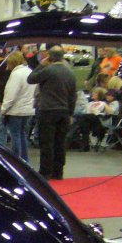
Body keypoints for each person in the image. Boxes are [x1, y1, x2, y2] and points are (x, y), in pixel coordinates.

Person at [27, 46, 77, 180]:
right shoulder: (70, 73)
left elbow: (30, 79)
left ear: (49, 57)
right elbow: (73, 95)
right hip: (64, 111)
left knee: (47, 142)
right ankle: (58, 172)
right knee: (60, 142)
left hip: (47, 110)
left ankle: (45, 171)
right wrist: (70, 113)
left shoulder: (48, 70)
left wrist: (40, 65)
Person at [0, 51, 34, 163]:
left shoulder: (16, 75)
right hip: (28, 110)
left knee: (15, 136)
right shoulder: (30, 71)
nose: (7, 66)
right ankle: (25, 160)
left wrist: (3, 110)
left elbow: (10, 95)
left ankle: (15, 161)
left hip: (16, 110)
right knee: (23, 135)